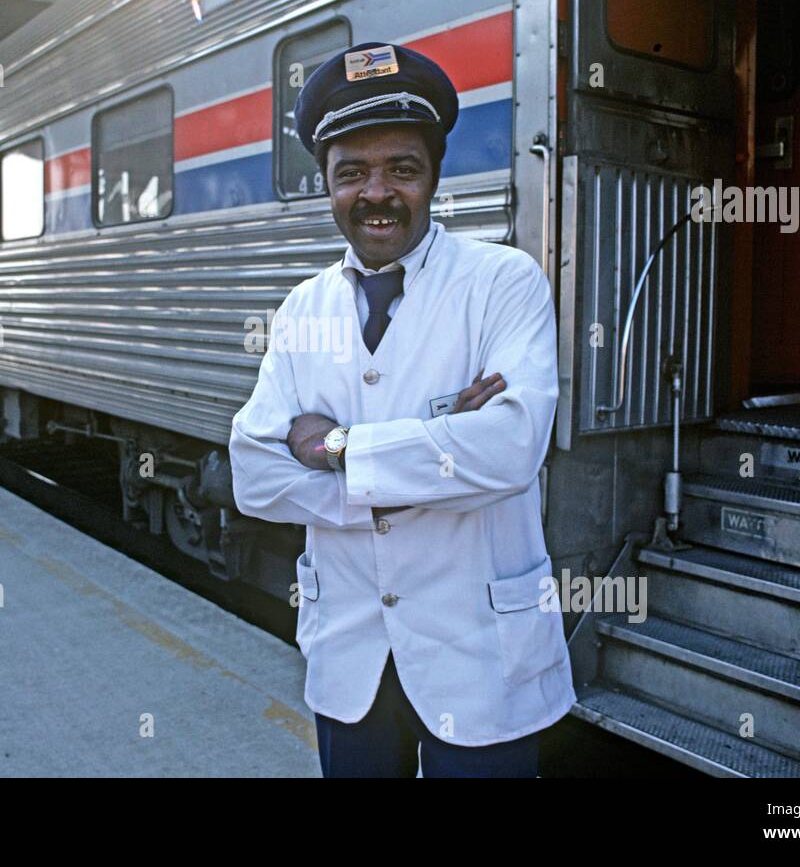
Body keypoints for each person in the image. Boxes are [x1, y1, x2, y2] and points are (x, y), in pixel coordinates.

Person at [228, 42, 574, 777]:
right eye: (351, 172)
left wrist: (333, 447)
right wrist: (441, 453)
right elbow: (253, 475)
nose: (376, 192)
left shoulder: (503, 283)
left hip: (481, 657)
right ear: (326, 183)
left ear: (434, 178)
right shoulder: (302, 309)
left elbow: (511, 449)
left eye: (402, 169)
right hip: (352, 659)